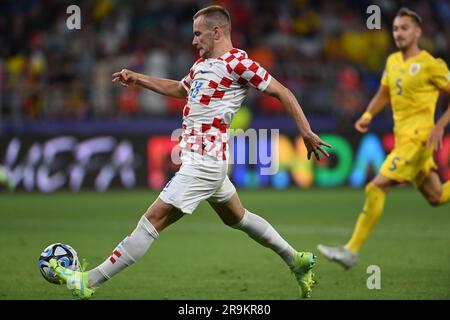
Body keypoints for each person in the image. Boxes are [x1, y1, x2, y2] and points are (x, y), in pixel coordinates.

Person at [49, 5, 331, 299]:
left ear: (217, 32)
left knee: (151, 221)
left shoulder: (238, 63)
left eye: (198, 34)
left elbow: (282, 92)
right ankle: (295, 259)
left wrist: (306, 131)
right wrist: (138, 78)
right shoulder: (201, 66)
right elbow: (181, 89)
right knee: (238, 218)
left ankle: (87, 282)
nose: (194, 40)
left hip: (204, 162)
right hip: (207, 161)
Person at [318, 7, 450, 269]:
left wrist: (439, 126)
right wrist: (367, 113)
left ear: (418, 32)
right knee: (436, 196)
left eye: (405, 28)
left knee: (376, 186)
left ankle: (351, 251)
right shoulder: (391, 61)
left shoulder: (431, 65)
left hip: (419, 140)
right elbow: (384, 92)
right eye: (396, 29)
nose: (399, 33)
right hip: (404, 140)